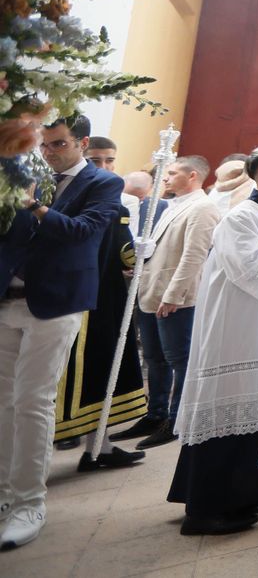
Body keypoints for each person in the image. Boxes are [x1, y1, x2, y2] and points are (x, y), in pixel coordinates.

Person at [168, 144, 258, 536]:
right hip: (236, 332)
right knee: (228, 410)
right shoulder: (241, 216)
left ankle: (241, 496)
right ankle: (206, 509)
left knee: (257, 411)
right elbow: (254, 269)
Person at [0, 116, 125, 548]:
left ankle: (29, 503)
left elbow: (83, 232)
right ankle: (2, 497)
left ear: (82, 143)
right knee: (2, 403)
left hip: (56, 303)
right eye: (43, 146)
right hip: (8, 298)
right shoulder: (29, 174)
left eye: (57, 145)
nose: (48, 153)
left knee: (33, 401)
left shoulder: (103, 183)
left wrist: (34, 206)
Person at [59, 163, 154, 464]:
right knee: (94, 370)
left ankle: (98, 445)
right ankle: (95, 445)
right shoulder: (113, 199)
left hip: (59, 292)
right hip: (98, 295)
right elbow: (125, 251)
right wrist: (142, 251)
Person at [128, 155, 220, 450]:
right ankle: (154, 413)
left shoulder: (203, 207)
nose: (164, 178)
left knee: (178, 359)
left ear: (192, 175)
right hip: (151, 290)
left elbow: (194, 255)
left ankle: (175, 417)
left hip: (175, 298)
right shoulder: (171, 205)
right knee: (153, 358)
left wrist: (174, 295)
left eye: (171, 173)